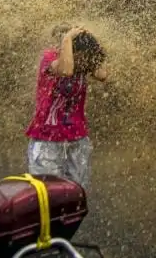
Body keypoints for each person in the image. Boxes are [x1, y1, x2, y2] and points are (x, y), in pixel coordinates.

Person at [25, 26, 108, 191]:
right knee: (47, 192)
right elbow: (66, 70)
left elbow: (102, 74)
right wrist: (67, 39)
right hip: (47, 139)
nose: (85, 60)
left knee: (76, 193)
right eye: (82, 55)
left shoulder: (84, 65)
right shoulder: (50, 59)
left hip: (76, 138)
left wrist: (92, 43)